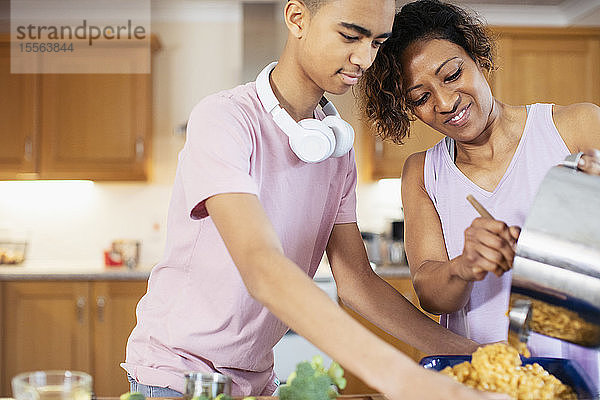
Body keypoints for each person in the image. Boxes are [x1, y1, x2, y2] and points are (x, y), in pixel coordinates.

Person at [121, 1, 506, 399]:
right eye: (350, 35)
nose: (364, 58)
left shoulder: (335, 152)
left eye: (376, 42)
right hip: (175, 377)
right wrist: (399, 377)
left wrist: (473, 356)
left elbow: (357, 284)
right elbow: (260, 266)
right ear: (297, 18)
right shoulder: (225, 119)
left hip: (253, 382)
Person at [361, 0, 600, 387]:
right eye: (420, 98)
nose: (445, 102)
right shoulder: (423, 172)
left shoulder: (576, 127)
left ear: (478, 57)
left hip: (583, 370)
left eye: (452, 74)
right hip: (481, 380)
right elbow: (430, 292)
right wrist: (464, 267)